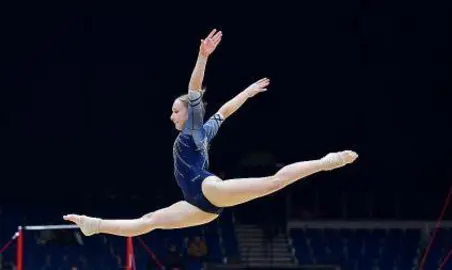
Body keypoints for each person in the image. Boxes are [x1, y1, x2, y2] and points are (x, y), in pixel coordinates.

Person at [63, 29, 358, 237]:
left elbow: (196, 92)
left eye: (175, 111)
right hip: (196, 204)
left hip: (206, 188)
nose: (171, 115)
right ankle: (94, 224)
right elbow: (225, 111)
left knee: (273, 182)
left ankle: (326, 161)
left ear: (188, 113)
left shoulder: (193, 130)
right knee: (148, 221)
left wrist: (203, 57)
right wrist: (248, 91)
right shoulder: (201, 132)